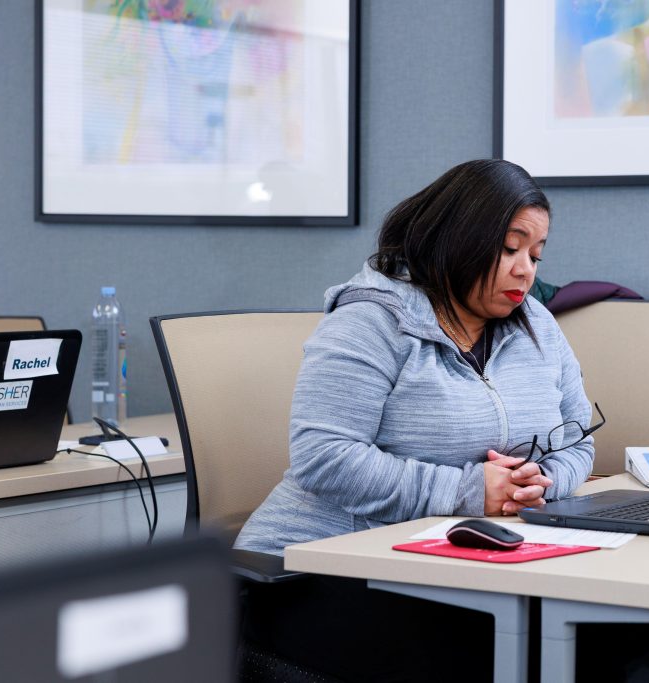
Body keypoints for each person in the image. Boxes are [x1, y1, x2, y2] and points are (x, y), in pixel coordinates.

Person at [235, 159, 596, 682]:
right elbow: (324, 457)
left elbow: (578, 439)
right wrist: (470, 491)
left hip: (457, 560)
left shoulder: (537, 325)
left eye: (536, 254)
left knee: (602, 641)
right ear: (458, 239)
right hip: (318, 572)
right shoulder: (371, 321)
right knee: (501, 655)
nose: (526, 270)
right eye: (509, 249)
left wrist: (540, 482)